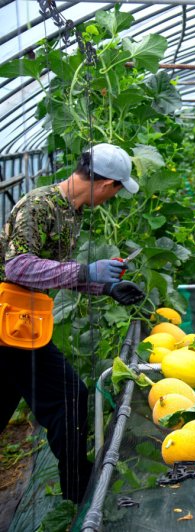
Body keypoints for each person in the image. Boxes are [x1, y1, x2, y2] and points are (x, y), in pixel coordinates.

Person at [0, 143, 145, 503]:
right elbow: (18, 267)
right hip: (9, 321)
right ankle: (79, 492)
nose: (112, 200)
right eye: (116, 192)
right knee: (71, 397)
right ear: (107, 184)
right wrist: (85, 270)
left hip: (20, 322)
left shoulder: (71, 212)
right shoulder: (40, 205)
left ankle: (77, 487)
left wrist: (105, 286)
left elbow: (54, 272)